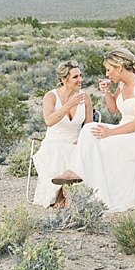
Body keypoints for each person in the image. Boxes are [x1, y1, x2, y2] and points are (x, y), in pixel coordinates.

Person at [56, 48, 135, 212]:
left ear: (119, 67)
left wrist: (110, 133)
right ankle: (75, 172)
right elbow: (112, 109)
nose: (107, 73)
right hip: (124, 129)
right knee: (90, 129)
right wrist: (107, 92)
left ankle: (102, 195)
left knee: (104, 144)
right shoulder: (122, 84)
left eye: (108, 69)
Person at [31, 60, 93, 208]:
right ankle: (60, 193)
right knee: (58, 149)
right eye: (76, 77)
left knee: (77, 150)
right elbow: (49, 121)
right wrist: (69, 104)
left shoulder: (85, 98)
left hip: (76, 142)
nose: (81, 80)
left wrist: (82, 141)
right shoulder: (51, 96)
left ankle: (66, 191)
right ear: (64, 80)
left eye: (80, 75)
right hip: (54, 141)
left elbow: (89, 126)